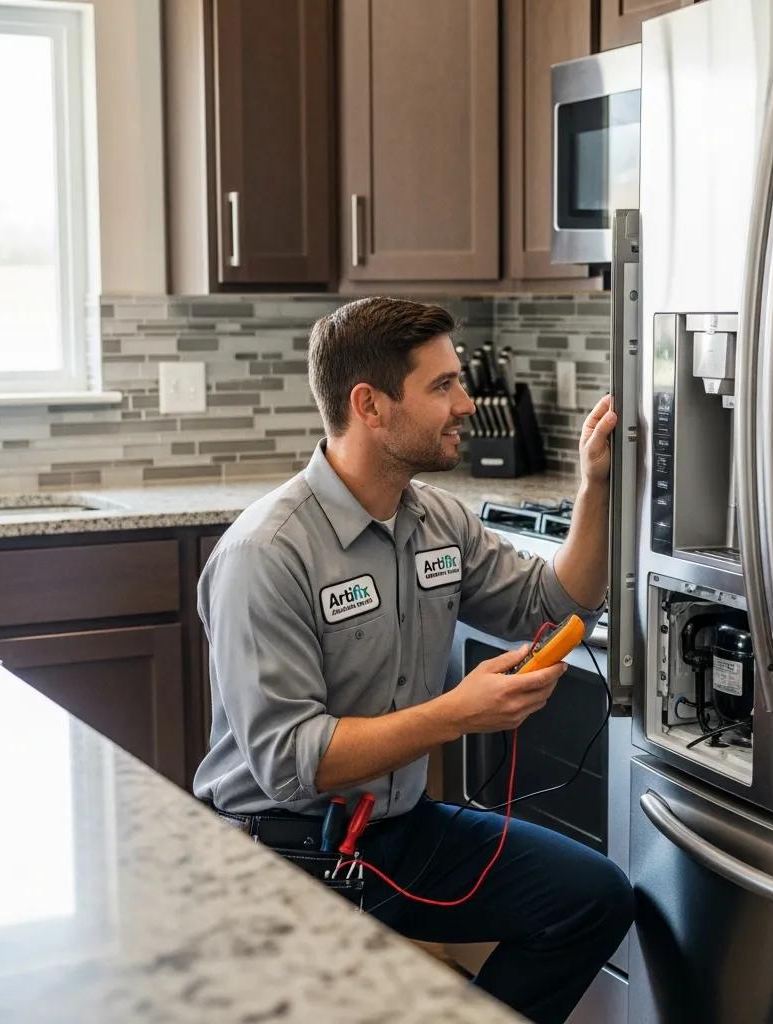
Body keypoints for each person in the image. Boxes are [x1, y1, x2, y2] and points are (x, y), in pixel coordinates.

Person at [194, 296, 635, 1024]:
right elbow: (290, 760)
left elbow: (549, 606)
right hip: (285, 852)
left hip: (396, 831)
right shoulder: (265, 554)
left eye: (459, 382)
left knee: (591, 900)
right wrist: (455, 714)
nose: (466, 403)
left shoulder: (436, 518)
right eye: (442, 387)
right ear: (369, 405)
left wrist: (596, 485)